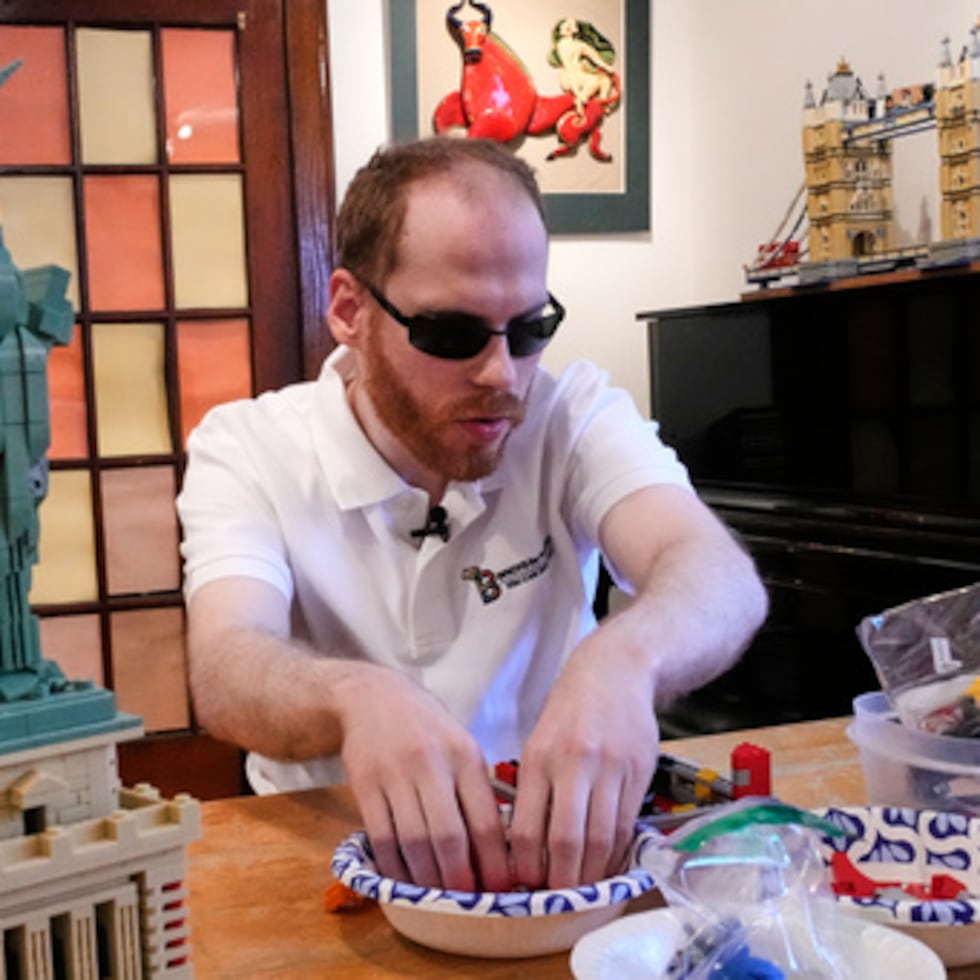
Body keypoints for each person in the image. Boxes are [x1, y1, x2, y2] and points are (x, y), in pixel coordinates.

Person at [176, 136, 768, 895]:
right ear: (350, 311)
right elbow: (226, 661)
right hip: (323, 859)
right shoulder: (249, 446)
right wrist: (356, 699)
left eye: (528, 329)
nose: (501, 374)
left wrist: (623, 660)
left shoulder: (571, 411)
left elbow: (717, 576)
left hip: (555, 860)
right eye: (452, 334)